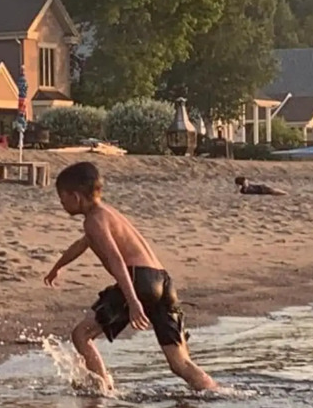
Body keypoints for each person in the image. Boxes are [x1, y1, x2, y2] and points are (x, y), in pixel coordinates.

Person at [44, 161, 217, 394]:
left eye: (62, 197)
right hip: (162, 281)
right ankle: (217, 392)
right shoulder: (107, 214)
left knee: (81, 335)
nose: (61, 203)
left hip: (139, 280)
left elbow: (115, 259)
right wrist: (58, 266)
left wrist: (134, 301)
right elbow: (82, 244)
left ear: (75, 196)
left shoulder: (93, 220)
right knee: (180, 363)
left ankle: (102, 390)